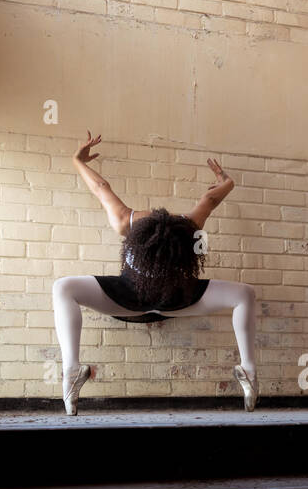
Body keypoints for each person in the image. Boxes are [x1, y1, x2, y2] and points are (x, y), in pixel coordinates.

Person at [51, 131, 258, 414]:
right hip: (180, 302)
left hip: (126, 300)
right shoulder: (188, 226)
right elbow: (211, 200)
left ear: (139, 234)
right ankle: (248, 371)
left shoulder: (128, 222)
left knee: (63, 287)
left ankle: (71, 372)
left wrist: (78, 161)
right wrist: (227, 181)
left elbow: (101, 187)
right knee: (245, 294)